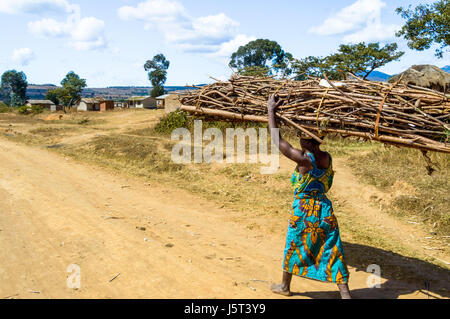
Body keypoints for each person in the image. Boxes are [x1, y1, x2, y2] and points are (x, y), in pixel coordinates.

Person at [267, 94, 351, 299]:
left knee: (293, 245)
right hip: (325, 211)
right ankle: (345, 294)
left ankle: (285, 287)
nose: (299, 139)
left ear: (310, 141)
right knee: (332, 249)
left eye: (302, 136)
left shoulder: (304, 160)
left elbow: (277, 140)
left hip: (304, 212)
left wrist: (270, 111)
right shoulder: (327, 158)